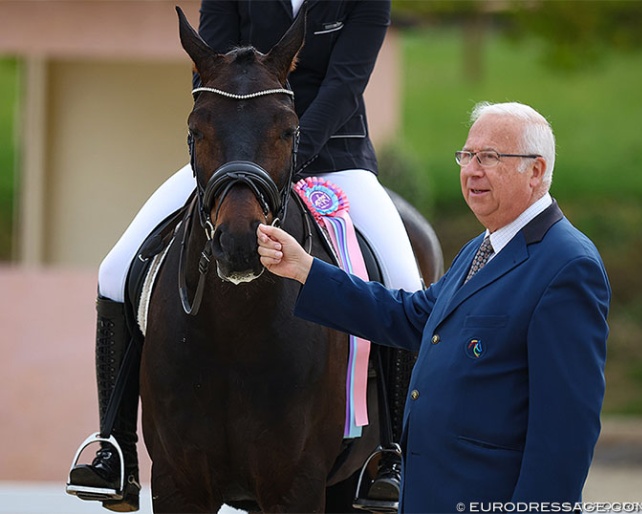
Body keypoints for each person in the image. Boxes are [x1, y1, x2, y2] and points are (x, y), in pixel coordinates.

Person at [67, 0, 421, 511]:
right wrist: (247, 152)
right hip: (237, 159)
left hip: (336, 159)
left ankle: (391, 452)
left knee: (403, 279)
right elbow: (211, 68)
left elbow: (347, 82)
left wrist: (290, 151)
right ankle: (114, 448)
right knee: (116, 268)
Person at [257, 101, 611, 513]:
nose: (472, 170)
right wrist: (305, 269)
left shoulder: (568, 266)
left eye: (490, 157)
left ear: (535, 171)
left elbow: (564, 437)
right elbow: (410, 317)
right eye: (467, 155)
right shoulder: (483, 247)